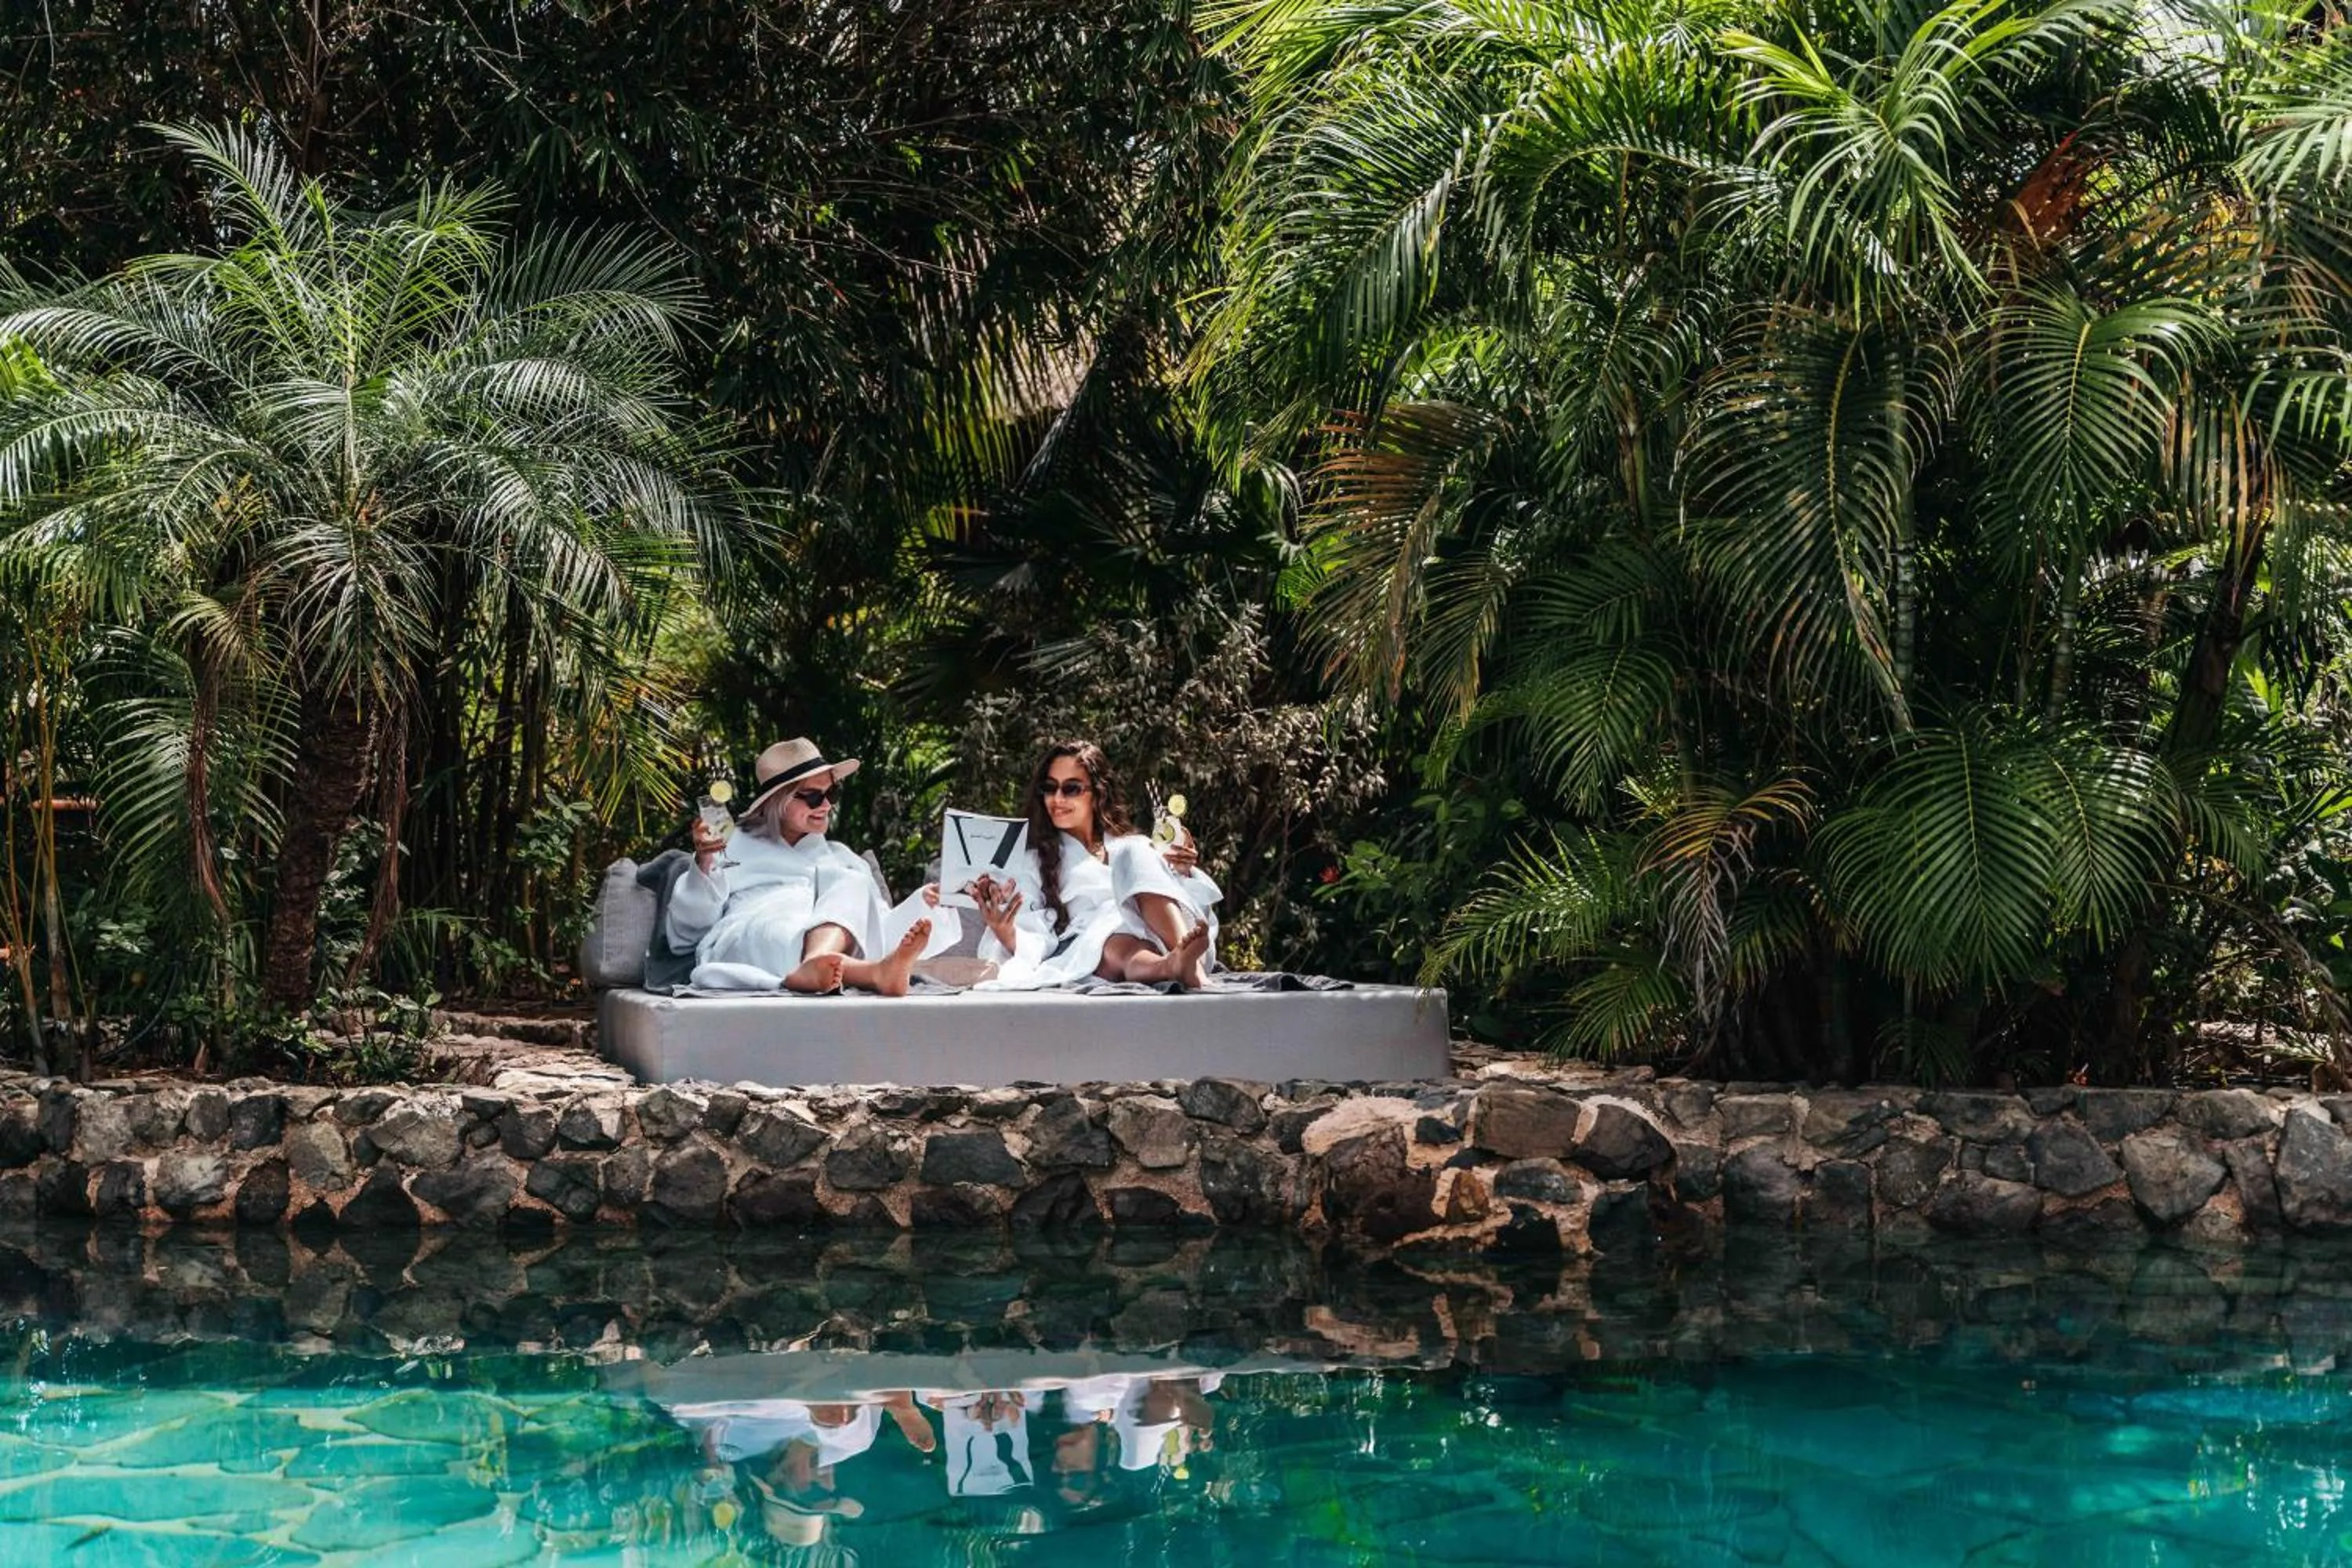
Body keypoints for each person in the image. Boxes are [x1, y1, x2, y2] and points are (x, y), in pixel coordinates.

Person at [669, 737, 946, 995]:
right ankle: (869, 974)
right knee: (782, 927)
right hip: (752, 931)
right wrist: (704, 864)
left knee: (851, 880)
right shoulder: (728, 844)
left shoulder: (842, 859)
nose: (826, 805)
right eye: (813, 796)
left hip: (820, 939)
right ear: (779, 801)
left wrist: (920, 904)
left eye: (832, 794)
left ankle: (819, 962)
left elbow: (875, 930)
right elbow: (685, 934)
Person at [966, 742, 1220, 990]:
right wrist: (1004, 930)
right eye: (1049, 788)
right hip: (1099, 942)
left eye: (1071, 789)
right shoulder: (1033, 860)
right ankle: (1173, 966)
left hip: (1160, 930)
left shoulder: (1133, 846)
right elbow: (1030, 933)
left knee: (1136, 849)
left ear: (1098, 793)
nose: (1057, 799)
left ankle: (1188, 961)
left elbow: (1184, 903)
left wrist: (1182, 869)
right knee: (1118, 946)